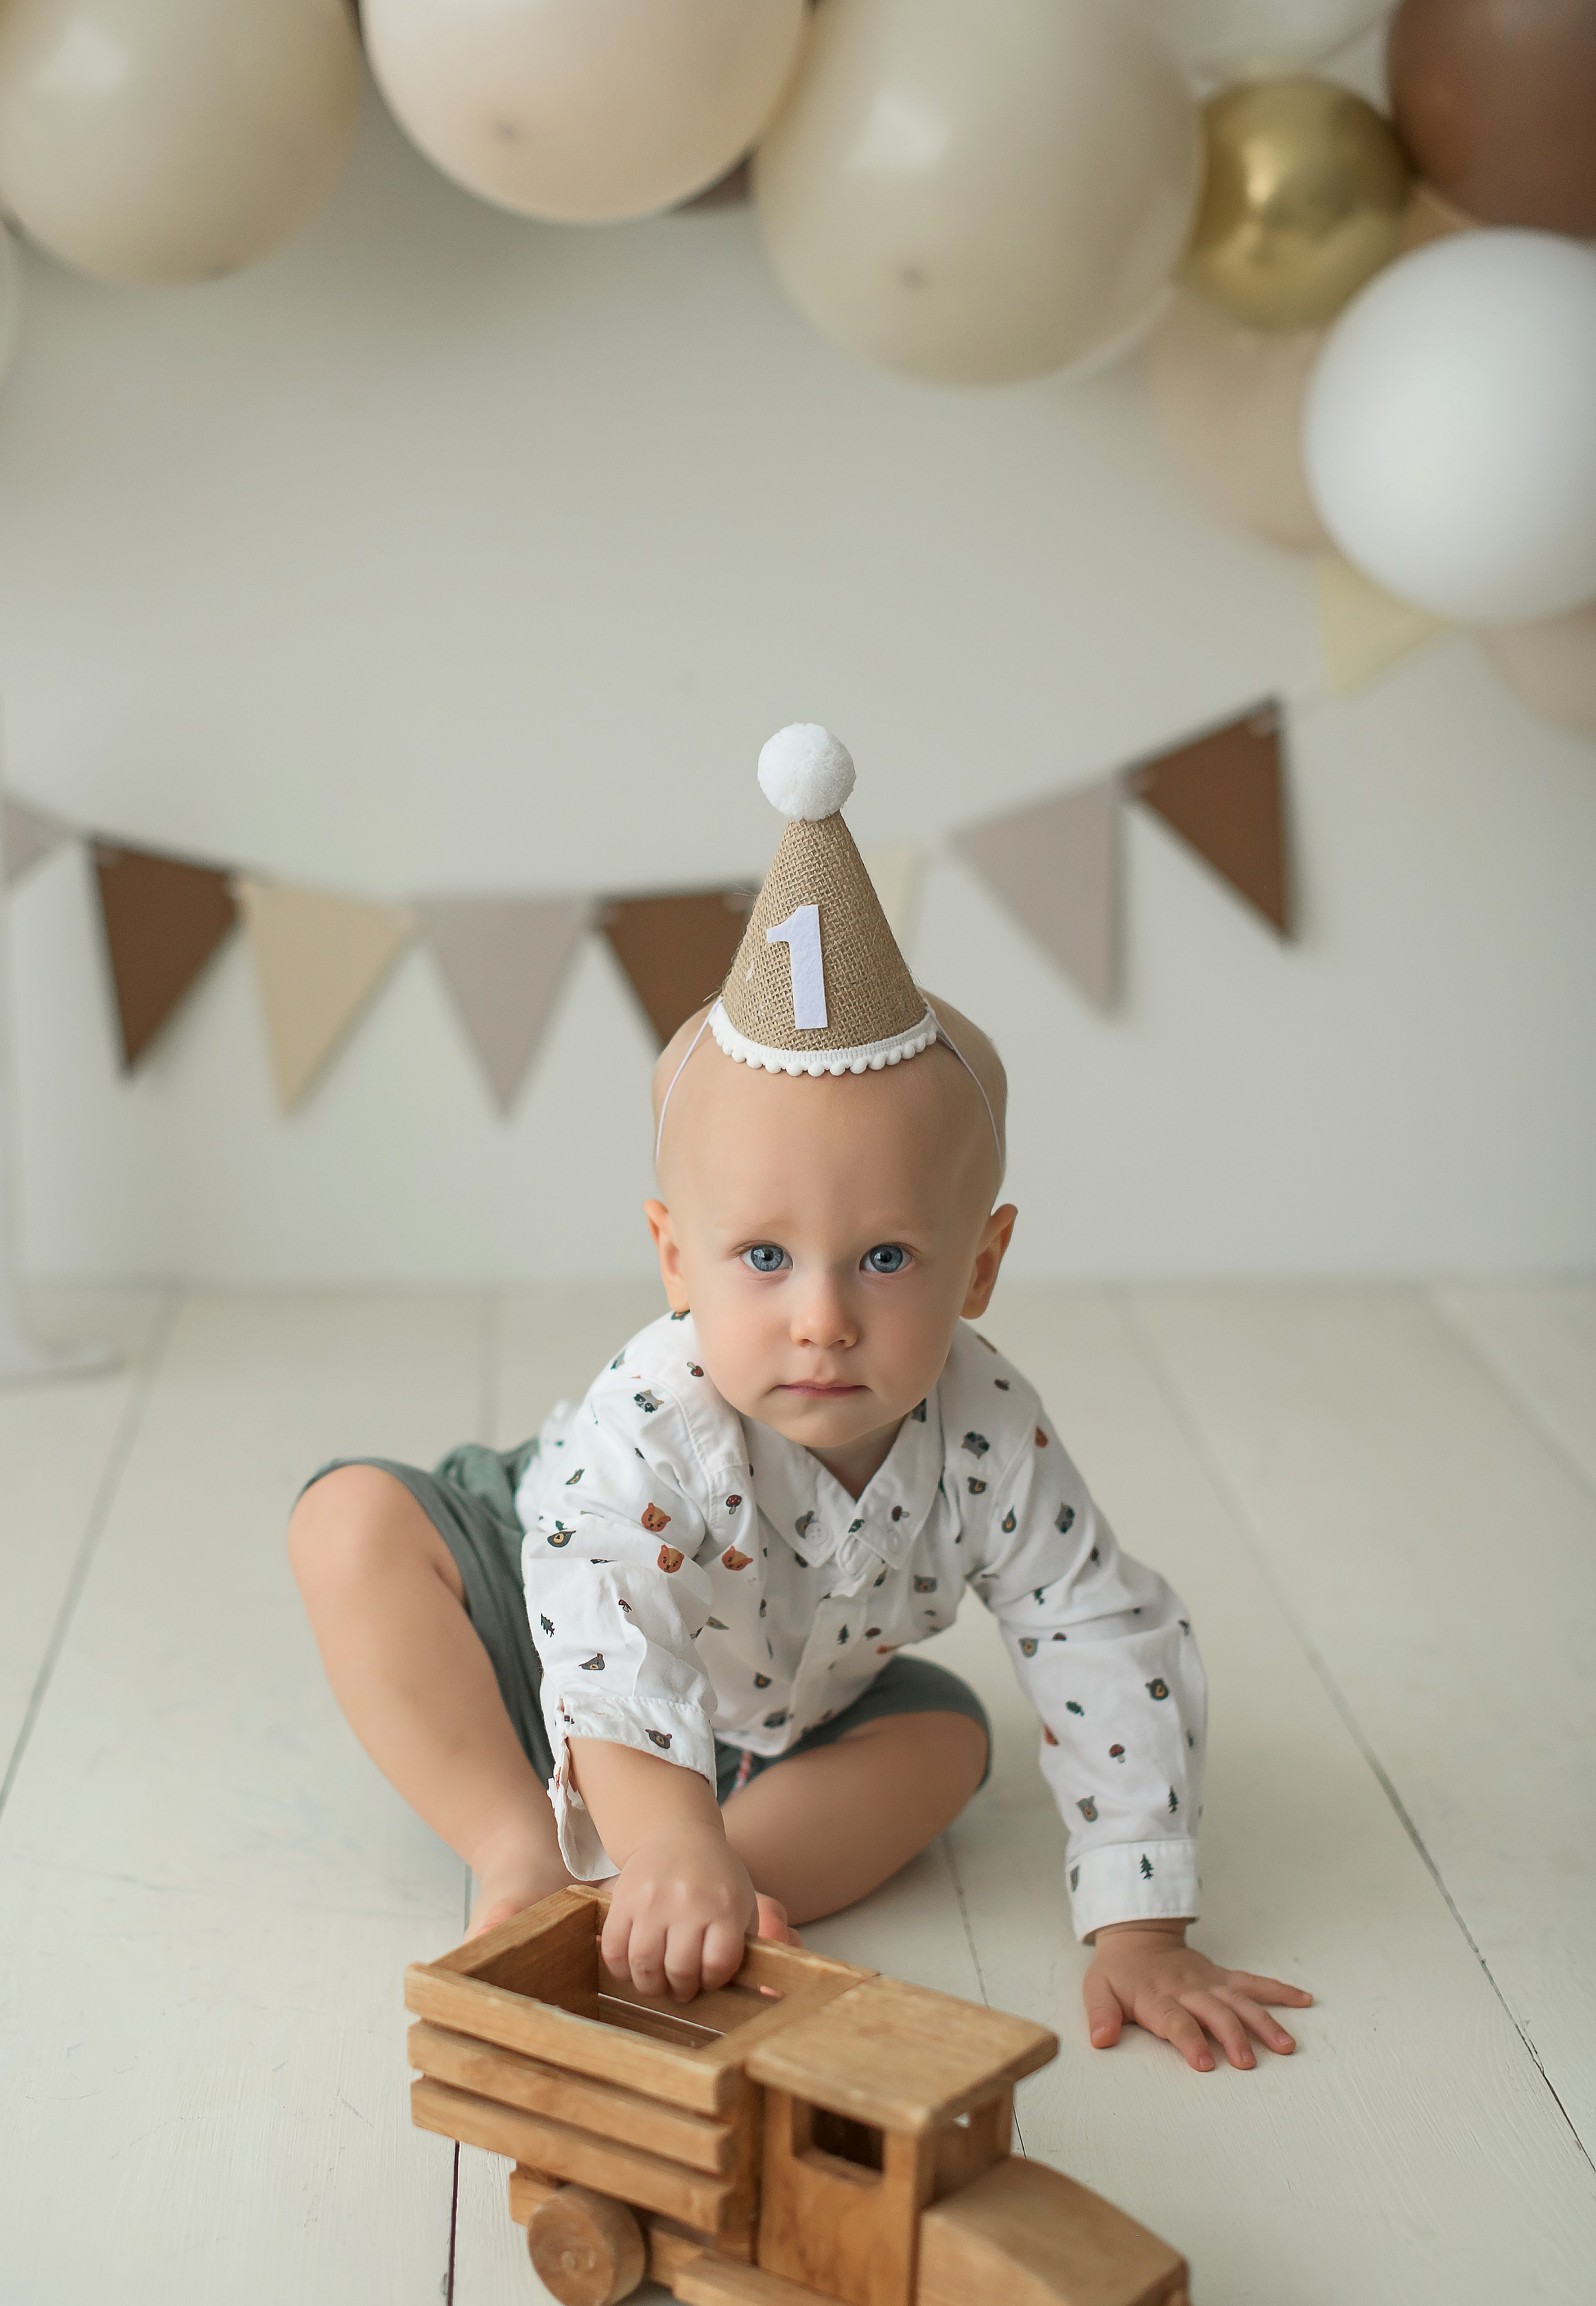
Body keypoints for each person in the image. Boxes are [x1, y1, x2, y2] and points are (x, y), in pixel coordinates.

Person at [290, 726, 1310, 2073]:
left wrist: (1140, 1922)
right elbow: (600, 1603)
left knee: (946, 1743)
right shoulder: (655, 1417)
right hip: (541, 1639)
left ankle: (697, 1894)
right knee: (348, 1522)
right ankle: (528, 1854)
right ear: (673, 1258)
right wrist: (655, 1823)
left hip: (771, 1720)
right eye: (760, 1259)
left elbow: (1096, 1632)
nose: (820, 1316)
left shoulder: (985, 1433)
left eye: (885, 1258)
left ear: (980, 1264)